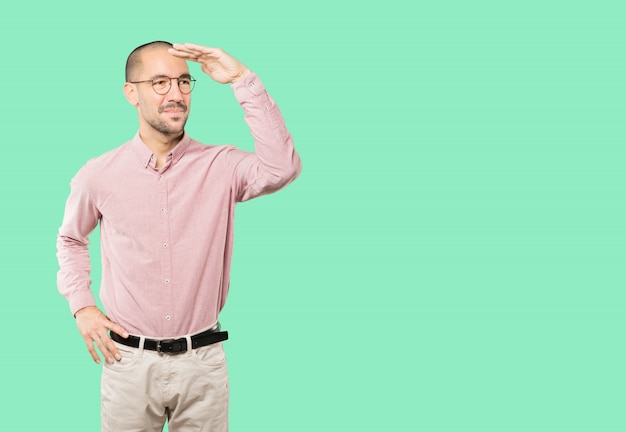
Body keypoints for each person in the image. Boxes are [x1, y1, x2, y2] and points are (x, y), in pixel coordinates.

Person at [56, 41, 301, 431]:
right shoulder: (98, 174)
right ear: (130, 92)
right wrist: (82, 306)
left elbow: (282, 167)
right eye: (159, 82)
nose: (176, 94)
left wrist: (242, 79)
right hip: (128, 364)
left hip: (202, 362)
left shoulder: (222, 166)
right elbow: (70, 239)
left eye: (184, 82)